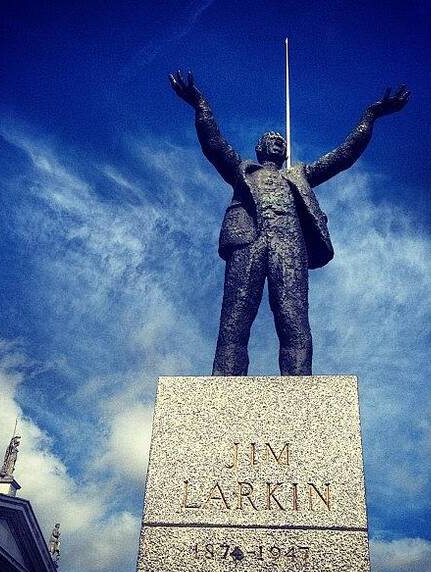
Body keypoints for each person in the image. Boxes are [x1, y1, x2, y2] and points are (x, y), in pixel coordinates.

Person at [169, 71, 410, 375]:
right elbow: (213, 142)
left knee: (293, 319)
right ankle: (225, 383)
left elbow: (343, 155)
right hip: (248, 239)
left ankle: (299, 387)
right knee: (235, 319)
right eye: (272, 140)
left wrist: (370, 116)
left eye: (282, 141)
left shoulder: (299, 176)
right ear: (260, 148)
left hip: (289, 244)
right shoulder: (243, 170)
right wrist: (199, 103)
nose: (279, 142)